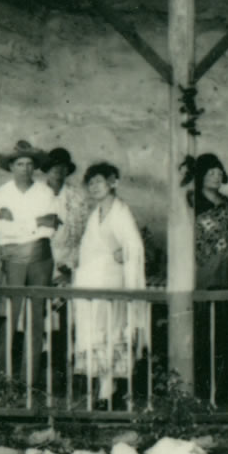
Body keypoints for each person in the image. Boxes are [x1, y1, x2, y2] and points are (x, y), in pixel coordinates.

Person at [69, 162, 147, 410]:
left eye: (99, 182)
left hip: (111, 283)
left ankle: (107, 390)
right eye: (90, 183)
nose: (94, 187)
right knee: (96, 335)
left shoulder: (120, 212)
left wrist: (120, 255)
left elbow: (133, 247)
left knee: (110, 335)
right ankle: (103, 389)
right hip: (92, 283)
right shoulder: (95, 215)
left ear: (113, 182)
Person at [0, 140, 62, 373]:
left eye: (30, 164)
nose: (25, 168)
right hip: (13, 259)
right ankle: (0, 378)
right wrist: (35, 222)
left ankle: (29, 379)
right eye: (20, 163)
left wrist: (19, 223)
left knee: (36, 319)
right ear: (11, 166)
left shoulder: (45, 192)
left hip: (41, 258)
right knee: (8, 316)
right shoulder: (1, 194)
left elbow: (50, 227)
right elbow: (2, 228)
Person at [185, 154, 228, 290]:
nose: (216, 177)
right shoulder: (192, 202)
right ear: (201, 175)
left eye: (220, 174)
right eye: (211, 173)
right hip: (207, 266)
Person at [44, 148, 89, 286]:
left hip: (70, 263)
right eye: (54, 166)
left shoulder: (78, 197)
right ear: (47, 169)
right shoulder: (35, 195)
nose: (58, 170)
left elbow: (85, 235)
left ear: (67, 171)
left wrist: (70, 266)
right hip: (41, 261)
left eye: (62, 166)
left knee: (68, 303)